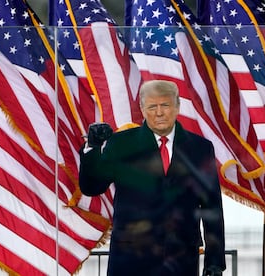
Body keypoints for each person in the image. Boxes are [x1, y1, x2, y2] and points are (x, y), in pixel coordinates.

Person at [79, 80, 226, 276]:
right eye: (152, 106)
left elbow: (211, 207)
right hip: (130, 259)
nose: (159, 113)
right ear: (142, 108)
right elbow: (92, 187)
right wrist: (93, 148)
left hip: (181, 259)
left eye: (165, 105)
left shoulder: (200, 148)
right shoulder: (121, 144)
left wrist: (214, 262)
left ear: (177, 106)